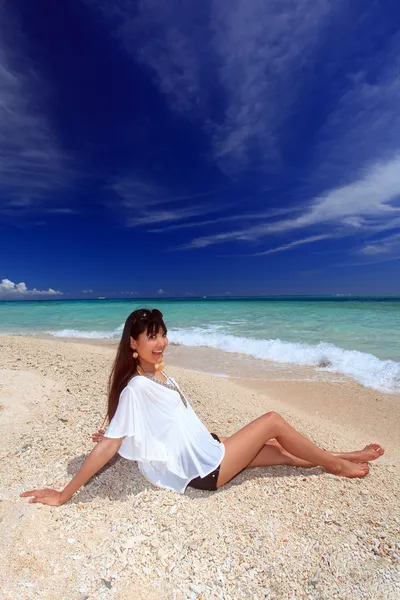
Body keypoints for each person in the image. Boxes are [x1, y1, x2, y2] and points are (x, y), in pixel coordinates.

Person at [21, 308, 384, 506]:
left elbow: (152, 425)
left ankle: (345, 453)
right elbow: (107, 448)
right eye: (151, 336)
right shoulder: (135, 388)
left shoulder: (160, 376)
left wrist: (121, 429)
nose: (160, 342)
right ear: (133, 343)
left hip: (208, 448)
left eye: (162, 333)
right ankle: (337, 464)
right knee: (272, 421)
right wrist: (64, 494)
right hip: (204, 471)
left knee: (283, 453)